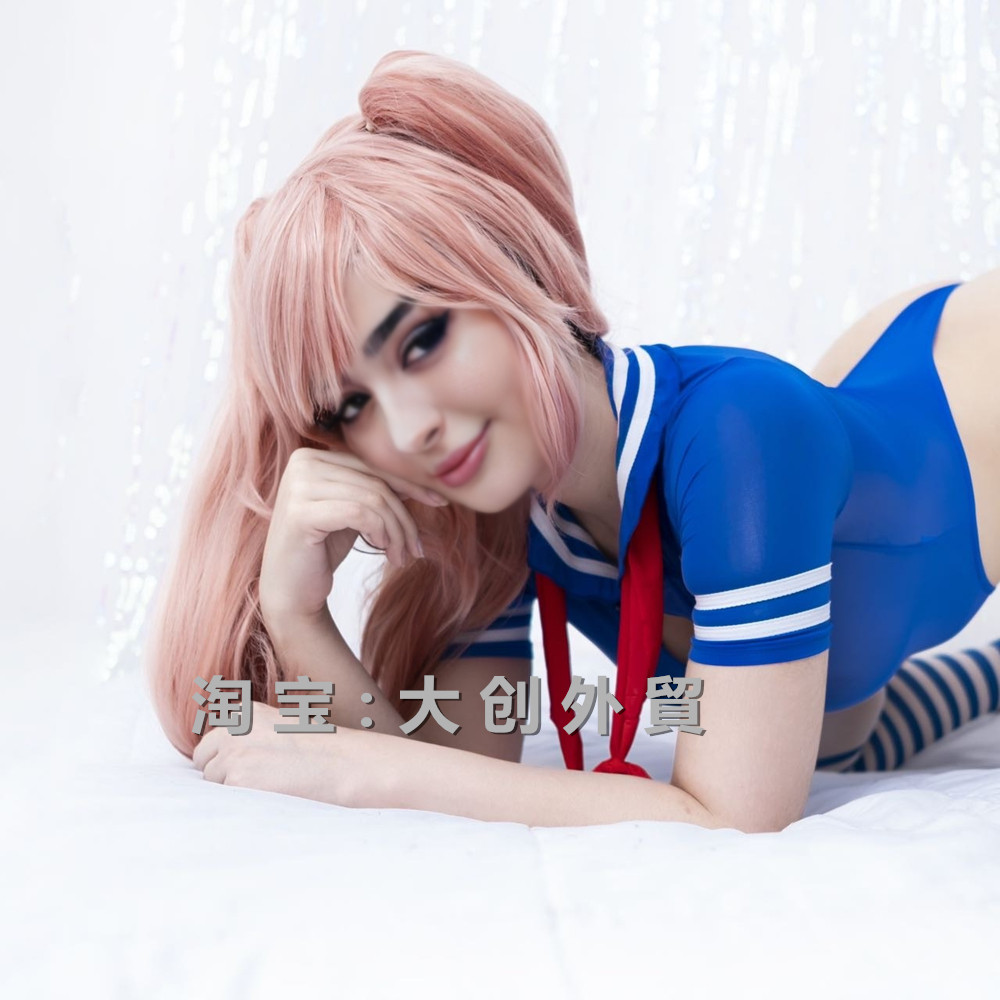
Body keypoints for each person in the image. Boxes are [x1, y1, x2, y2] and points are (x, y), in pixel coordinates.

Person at [149, 50, 1000, 832]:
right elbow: (455, 774)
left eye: (423, 339)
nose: (408, 430)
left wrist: (355, 770)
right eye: (350, 406)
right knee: (831, 737)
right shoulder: (501, 507)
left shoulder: (742, 434)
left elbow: (736, 814)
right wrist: (299, 615)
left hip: (974, 383)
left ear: (521, 267)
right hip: (858, 599)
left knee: (799, 733)